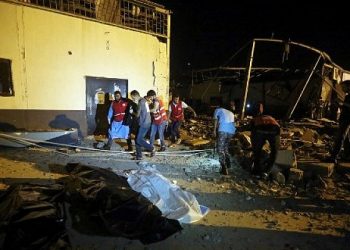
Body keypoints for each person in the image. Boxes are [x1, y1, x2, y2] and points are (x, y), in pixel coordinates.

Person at [250, 102, 280, 177]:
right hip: (275, 129)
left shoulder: (255, 119)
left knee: (257, 150)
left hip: (260, 129)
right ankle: (266, 171)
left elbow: (253, 132)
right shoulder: (271, 118)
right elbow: (279, 130)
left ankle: (256, 171)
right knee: (274, 152)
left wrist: (254, 146)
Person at [213, 101, 236, 175]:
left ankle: (223, 167)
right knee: (225, 147)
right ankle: (228, 163)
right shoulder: (231, 113)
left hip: (223, 129)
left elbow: (215, 120)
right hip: (231, 131)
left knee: (220, 148)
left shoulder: (218, 110)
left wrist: (214, 130)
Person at [330, 80, 350, 163]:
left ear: (348, 86)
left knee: (340, 138)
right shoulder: (348, 96)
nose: (342, 89)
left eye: (343, 87)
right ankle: (347, 156)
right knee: (346, 139)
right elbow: (347, 107)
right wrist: (339, 105)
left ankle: (334, 157)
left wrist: (341, 102)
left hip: (347, 119)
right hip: (344, 118)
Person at [135, 90, 156, 160]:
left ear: (135, 96)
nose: (133, 99)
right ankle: (139, 156)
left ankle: (151, 148)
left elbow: (137, 114)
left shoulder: (141, 101)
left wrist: (132, 112)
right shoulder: (145, 101)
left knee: (139, 139)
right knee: (137, 139)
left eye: (133, 98)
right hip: (147, 122)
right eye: (152, 97)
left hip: (144, 123)